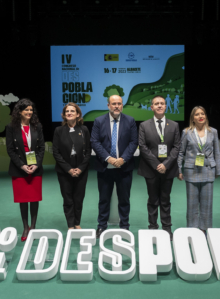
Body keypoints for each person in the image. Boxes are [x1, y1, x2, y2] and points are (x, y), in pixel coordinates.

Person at [90, 95, 138, 237]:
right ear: (108, 105)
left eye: (119, 103)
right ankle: (101, 226)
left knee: (124, 199)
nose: (116, 106)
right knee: (104, 199)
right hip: (105, 167)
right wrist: (109, 158)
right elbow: (95, 142)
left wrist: (123, 159)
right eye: (113, 104)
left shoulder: (130, 121)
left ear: (122, 105)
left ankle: (125, 226)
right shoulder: (99, 121)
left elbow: (134, 142)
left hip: (124, 167)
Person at [138, 95, 180, 240]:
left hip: (168, 169)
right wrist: (157, 165)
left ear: (166, 106)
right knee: (152, 199)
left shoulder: (174, 125)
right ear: (152, 107)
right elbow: (143, 147)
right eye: (156, 103)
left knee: (165, 199)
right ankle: (153, 227)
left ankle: (167, 228)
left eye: (162, 103)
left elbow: (176, 147)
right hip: (151, 169)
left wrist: (166, 164)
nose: (160, 106)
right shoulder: (144, 125)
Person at [177, 106, 220, 234]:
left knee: (207, 205)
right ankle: (192, 231)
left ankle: (204, 230)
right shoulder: (186, 132)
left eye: (202, 113)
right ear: (193, 118)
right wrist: (179, 169)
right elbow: (181, 152)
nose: (200, 116)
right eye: (197, 114)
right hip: (192, 171)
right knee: (192, 204)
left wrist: (218, 170)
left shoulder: (213, 131)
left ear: (206, 116)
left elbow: (217, 152)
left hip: (208, 171)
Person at [6, 98, 45, 241]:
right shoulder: (11, 127)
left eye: (31, 109)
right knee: (23, 200)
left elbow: (41, 148)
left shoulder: (37, 126)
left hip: (35, 168)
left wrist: (36, 165)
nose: (29, 112)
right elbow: (10, 150)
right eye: (26, 110)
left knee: (34, 199)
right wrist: (22, 165)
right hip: (19, 169)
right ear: (19, 111)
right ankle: (25, 227)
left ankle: (33, 228)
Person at [52, 102, 91, 229]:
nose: (69, 113)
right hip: (64, 172)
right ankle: (70, 224)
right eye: (67, 111)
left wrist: (80, 168)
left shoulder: (84, 129)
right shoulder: (59, 130)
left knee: (78, 199)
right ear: (64, 115)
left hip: (81, 171)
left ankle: (77, 223)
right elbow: (56, 152)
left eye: (72, 111)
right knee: (68, 199)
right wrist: (68, 169)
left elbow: (88, 151)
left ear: (78, 114)